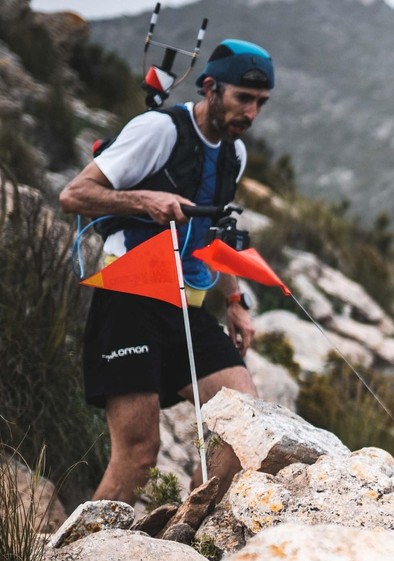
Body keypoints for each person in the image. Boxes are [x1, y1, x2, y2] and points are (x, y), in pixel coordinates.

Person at [59, 40, 276, 503]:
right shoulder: (158, 130)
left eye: (260, 103)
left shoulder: (233, 154)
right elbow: (73, 195)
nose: (252, 113)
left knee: (242, 429)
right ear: (211, 88)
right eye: (244, 98)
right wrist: (144, 199)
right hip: (128, 297)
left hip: (185, 305)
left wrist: (235, 301)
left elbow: (215, 231)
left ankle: (192, 538)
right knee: (139, 456)